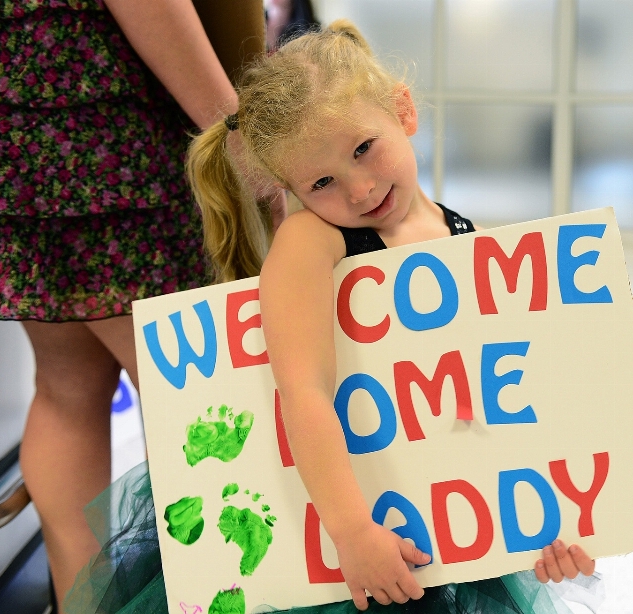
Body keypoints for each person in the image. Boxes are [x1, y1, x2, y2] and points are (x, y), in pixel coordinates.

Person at [191, 19, 597, 612]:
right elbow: (302, 393)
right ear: (291, 189)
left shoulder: (467, 238)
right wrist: (352, 532)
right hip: (353, 538)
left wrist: (542, 521)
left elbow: (496, 393)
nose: (358, 190)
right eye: (322, 181)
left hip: (454, 534)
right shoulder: (313, 240)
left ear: (402, 111)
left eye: (363, 148)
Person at [0, 0, 276, 609]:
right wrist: (241, 143)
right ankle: (224, 598)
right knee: (196, 394)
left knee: (66, 389)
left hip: (9, 103)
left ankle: (82, 605)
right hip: (102, 117)